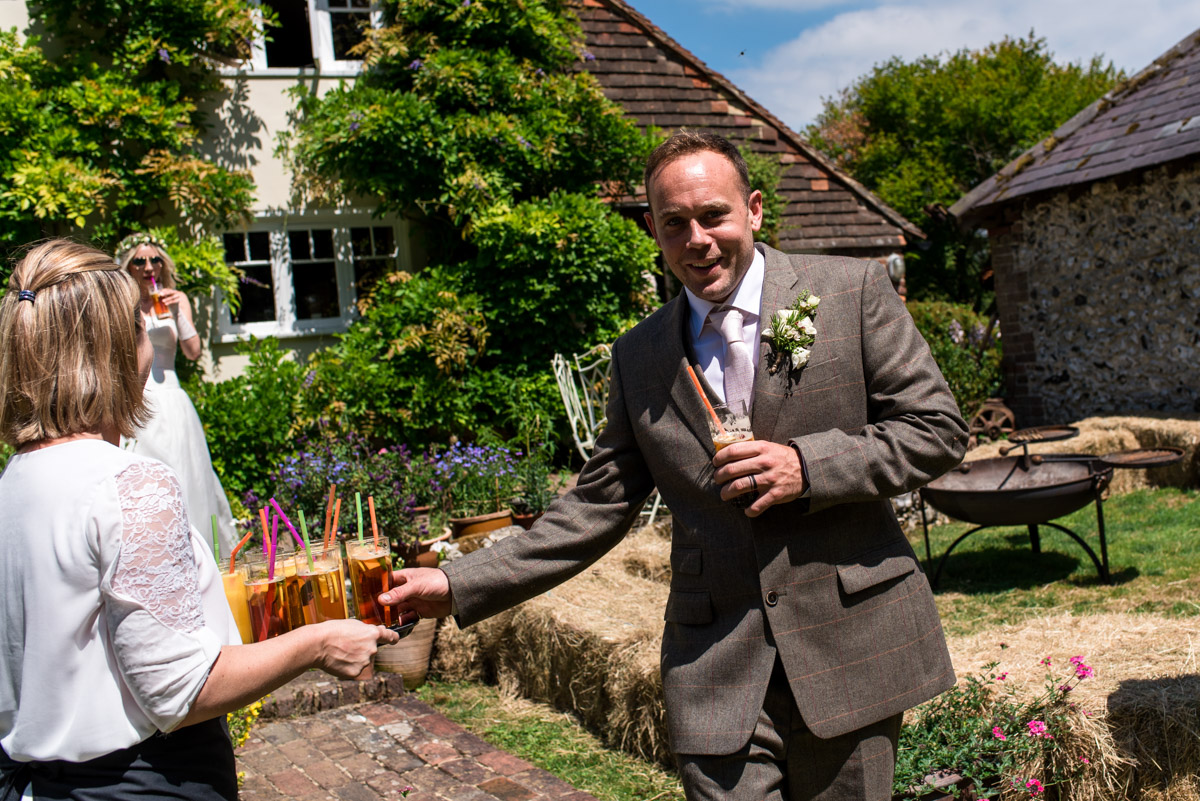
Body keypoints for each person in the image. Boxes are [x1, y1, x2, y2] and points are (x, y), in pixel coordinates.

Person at [382, 131, 969, 800]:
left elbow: (937, 430)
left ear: (753, 210)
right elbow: (596, 505)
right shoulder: (640, 355)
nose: (697, 240)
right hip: (716, 664)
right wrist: (456, 582)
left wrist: (807, 467)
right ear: (652, 231)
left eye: (713, 215)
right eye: (674, 223)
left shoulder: (850, 291)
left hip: (851, 647)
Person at [0, 240, 399, 800]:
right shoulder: (129, 483)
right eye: (140, 329)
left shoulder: (15, 479)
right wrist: (316, 643)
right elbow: (179, 691)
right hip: (145, 782)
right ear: (115, 351)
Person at [116, 233, 235, 558]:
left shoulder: (176, 298)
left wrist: (176, 312)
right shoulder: (122, 303)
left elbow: (193, 351)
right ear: (129, 266)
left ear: (162, 264)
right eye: (140, 261)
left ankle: (200, 555)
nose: (148, 267)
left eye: (154, 260)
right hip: (141, 398)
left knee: (188, 474)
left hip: (172, 396)